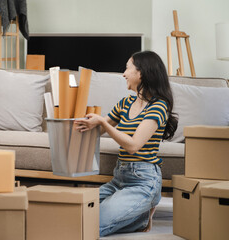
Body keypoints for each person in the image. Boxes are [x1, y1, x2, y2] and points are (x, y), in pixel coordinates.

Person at [75, 51, 178, 236]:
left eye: (127, 68)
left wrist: (103, 122)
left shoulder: (159, 106)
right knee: (76, 212)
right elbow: (99, 130)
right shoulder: (125, 103)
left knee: (92, 224)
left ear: (141, 73)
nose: (123, 74)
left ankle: (141, 213)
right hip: (119, 178)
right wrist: (84, 124)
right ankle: (139, 214)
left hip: (143, 181)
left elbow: (133, 145)